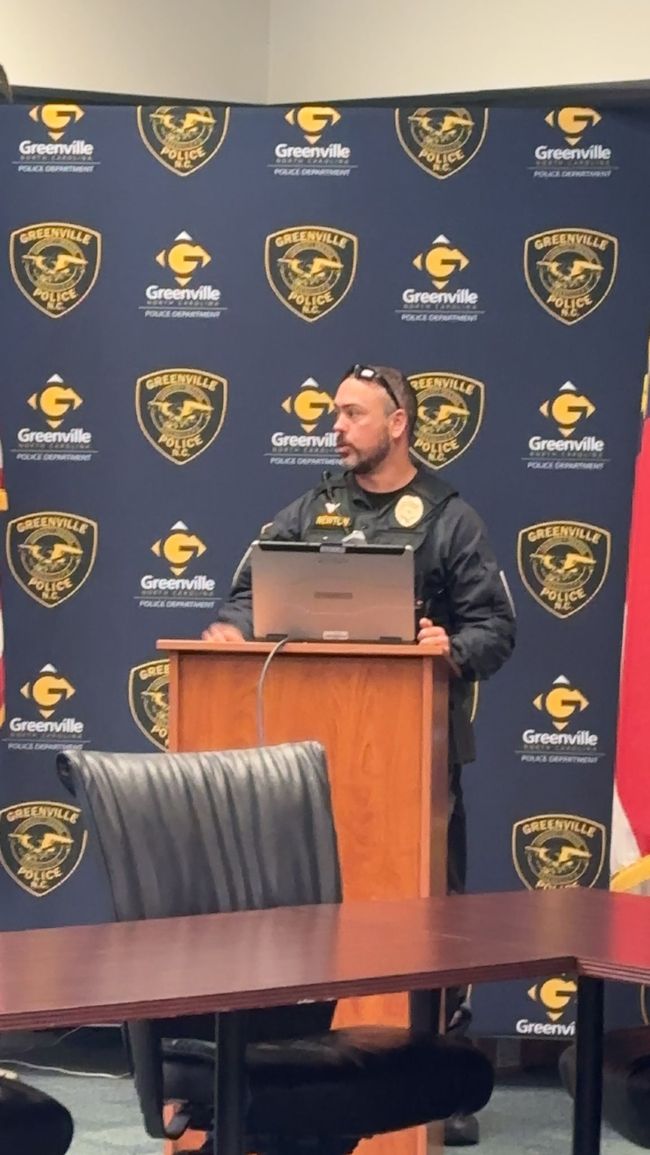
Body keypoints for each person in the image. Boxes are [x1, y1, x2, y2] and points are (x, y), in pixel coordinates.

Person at [203, 363, 516, 1146]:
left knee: (432, 916)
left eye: (351, 414)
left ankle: (441, 1081)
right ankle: (290, 1064)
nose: (335, 427)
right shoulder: (311, 509)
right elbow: (244, 591)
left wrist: (450, 647)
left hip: (416, 761)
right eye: (334, 414)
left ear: (398, 422)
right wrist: (236, 627)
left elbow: (495, 628)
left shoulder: (450, 518)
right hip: (308, 756)